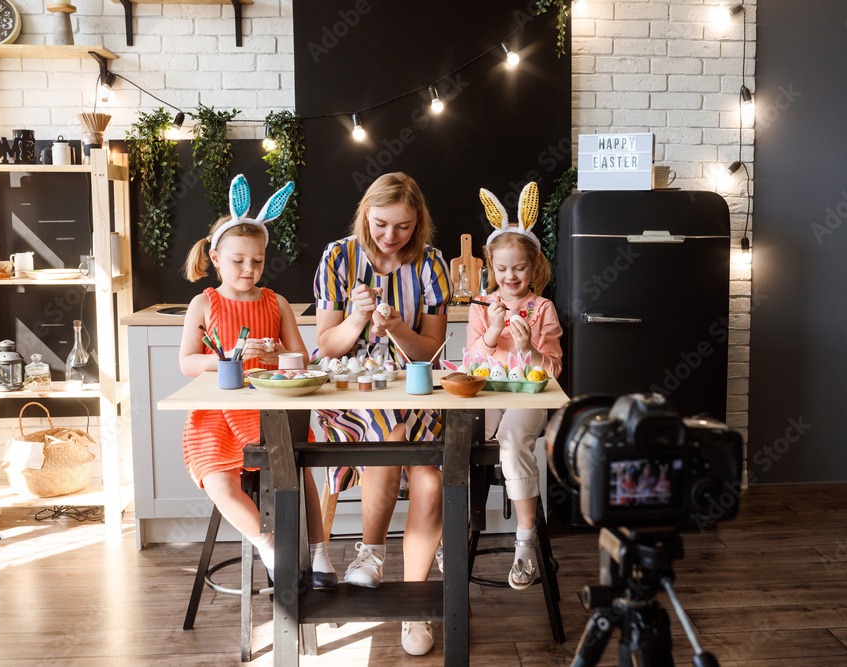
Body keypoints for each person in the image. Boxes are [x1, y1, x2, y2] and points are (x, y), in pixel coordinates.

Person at [313, 172, 451, 656]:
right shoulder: (338, 257)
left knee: (431, 482)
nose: (391, 237)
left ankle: (411, 605)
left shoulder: (432, 263)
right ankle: (371, 554)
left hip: (414, 392)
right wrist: (355, 319)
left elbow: (431, 353)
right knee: (390, 432)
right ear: (365, 215)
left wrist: (395, 329)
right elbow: (326, 348)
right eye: (380, 224)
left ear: (419, 224)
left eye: (404, 227)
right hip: (349, 392)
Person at [179, 175, 337, 590]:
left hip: (267, 408)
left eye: (258, 260)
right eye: (238, 260)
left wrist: (272, 357)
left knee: (297, 469)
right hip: (216, 411)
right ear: (215, 257)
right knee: (217, 478)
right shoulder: (204, 303)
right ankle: (269, 545)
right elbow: (187, 362)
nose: (249, 269)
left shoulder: (276, 302)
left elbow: (301, 357)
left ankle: (317, 552)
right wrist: (228, 358)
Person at [466, 183, 563, 590]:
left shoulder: (542, 309)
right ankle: (453, 533)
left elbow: (554, 368)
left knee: (510, 441)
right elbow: (471, 364)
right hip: (488, 397)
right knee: (457, 442)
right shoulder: (481, 306)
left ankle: (524, 545)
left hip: (529, 400)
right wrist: (491, 333)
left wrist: (528, 348)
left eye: (519, 268)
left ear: (533, 266)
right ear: (491, 265)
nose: (510, 277)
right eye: (503, 269)